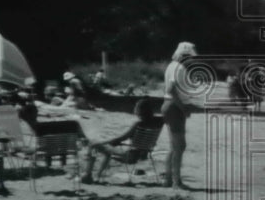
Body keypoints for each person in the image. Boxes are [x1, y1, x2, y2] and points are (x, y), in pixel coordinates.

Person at [81, 97, 165, 184]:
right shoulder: (159, 121)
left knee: (93, 145)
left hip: (129, 156)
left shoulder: (138, 124)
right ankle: (98, 176)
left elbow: (121, 138)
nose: (134, 109)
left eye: (136, 107)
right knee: (106, 150)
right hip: (143, 154)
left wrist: (105, 142)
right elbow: (166, 115)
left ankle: (88, 175)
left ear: (139, 110)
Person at [162, 41, 201, 189]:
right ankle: (176, 181)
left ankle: (169, 179)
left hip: (171, 105)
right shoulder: (179, 68)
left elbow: (168, 90)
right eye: (190, 57)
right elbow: (171, 90)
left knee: (175, 146)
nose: (192, 60)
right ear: (184, 56)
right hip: (174, 107)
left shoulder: (172, 66)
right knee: (179, 146)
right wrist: (183, 108)